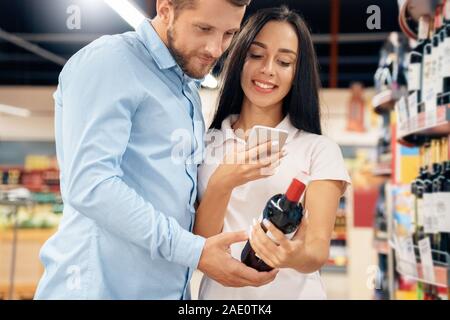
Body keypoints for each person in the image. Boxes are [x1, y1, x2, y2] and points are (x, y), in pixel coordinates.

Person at [34, 0, 278, 300]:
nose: (216, 49)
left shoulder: (186, 87)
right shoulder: (110, 62)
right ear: (165, 8)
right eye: (204, 29)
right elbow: (90, 185)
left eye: (229, 33)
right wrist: (195, 251)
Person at [194, 6, 351, 300]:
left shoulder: (319, 150)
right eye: (256, 55)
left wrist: (290, 254)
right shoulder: (206, 143)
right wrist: (222, 182)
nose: (267, 69)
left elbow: (316, 249)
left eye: (284, 61)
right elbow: (202, 243)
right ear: (239, 58)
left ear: (297, 73)